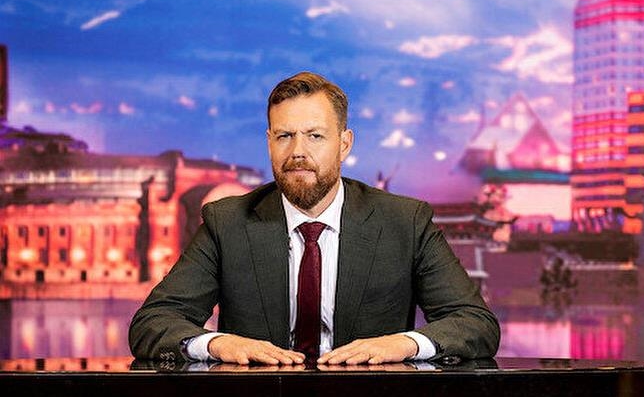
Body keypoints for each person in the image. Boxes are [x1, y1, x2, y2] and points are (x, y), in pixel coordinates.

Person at [129, 71, 500, 365]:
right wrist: (217, 344)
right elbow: (153, 322)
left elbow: (475, 322)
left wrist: (404, 344)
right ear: (269, 142)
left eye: (315, 136)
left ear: (344, 143)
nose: (298, 151)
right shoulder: (227, 223)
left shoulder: (405, 222)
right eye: (284, 136)